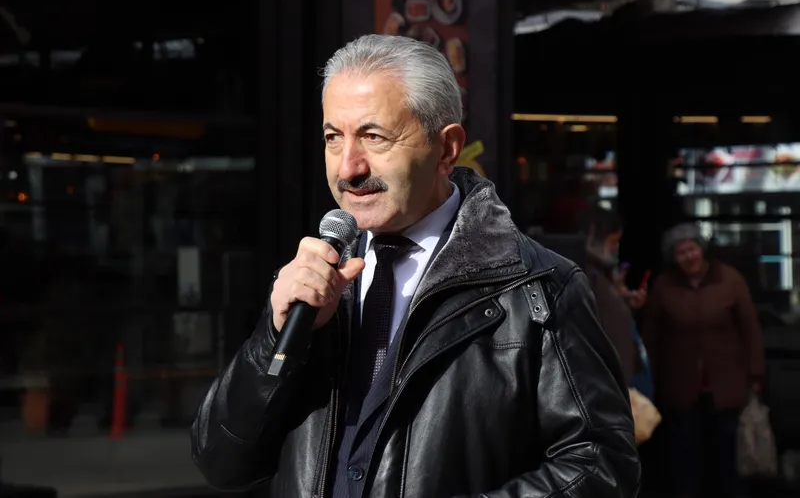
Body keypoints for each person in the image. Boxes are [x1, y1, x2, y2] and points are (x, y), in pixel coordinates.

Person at [191, 34, 639, 498]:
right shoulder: (311, 280)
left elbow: (602, 465)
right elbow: (221, 463)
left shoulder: (539, 288)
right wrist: (276, 336)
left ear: (446, 149)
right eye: (333, 138)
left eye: (373, 137)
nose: (348, 168)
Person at [642, 223, 765, 498]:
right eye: (681, 252)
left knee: (729, 459)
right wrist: (649, 381)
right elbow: (651, 337)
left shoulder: (730, 279)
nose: (689, 257)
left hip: (727, 385)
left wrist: (756, 374)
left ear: (702, 249)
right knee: (684, 460)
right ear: (673, 257)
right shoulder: (663, 286)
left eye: (692, 249)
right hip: (680, 387)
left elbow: (751, 330)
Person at [580, 206, 652, 400]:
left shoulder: (602, 275)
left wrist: (622, 300)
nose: (615, 248)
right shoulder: (585, 276)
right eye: (612, 242)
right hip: (604, 388)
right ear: (593, 237)